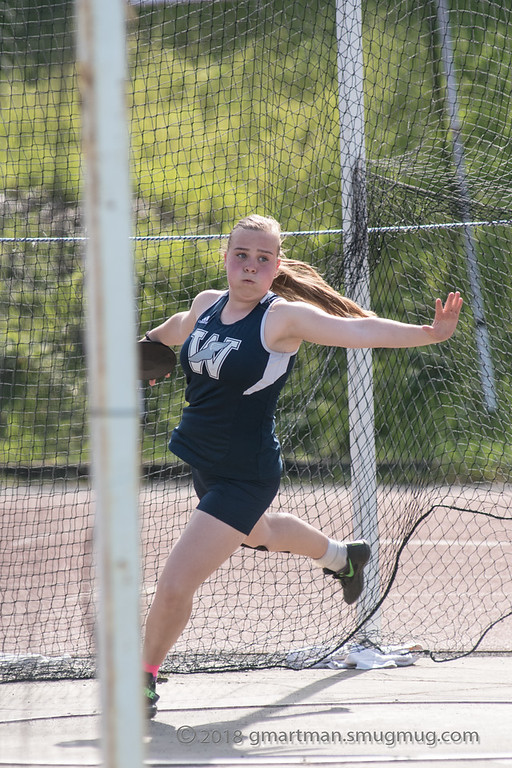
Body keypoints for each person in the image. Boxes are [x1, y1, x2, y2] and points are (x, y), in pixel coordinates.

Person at [141, 214, 463, 717]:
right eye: (241, 254)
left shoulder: (281, 318)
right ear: (225, 257)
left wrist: (429, 333)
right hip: (203, 462)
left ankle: (143, 680)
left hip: (246, 473)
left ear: (275, 267)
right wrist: (145, 354)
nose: (250, 266)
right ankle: (342, 556)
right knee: (260, 531)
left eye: (262, 259)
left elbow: (356, 330)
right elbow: (169, 334)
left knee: (176, 581)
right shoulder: (206, 305)